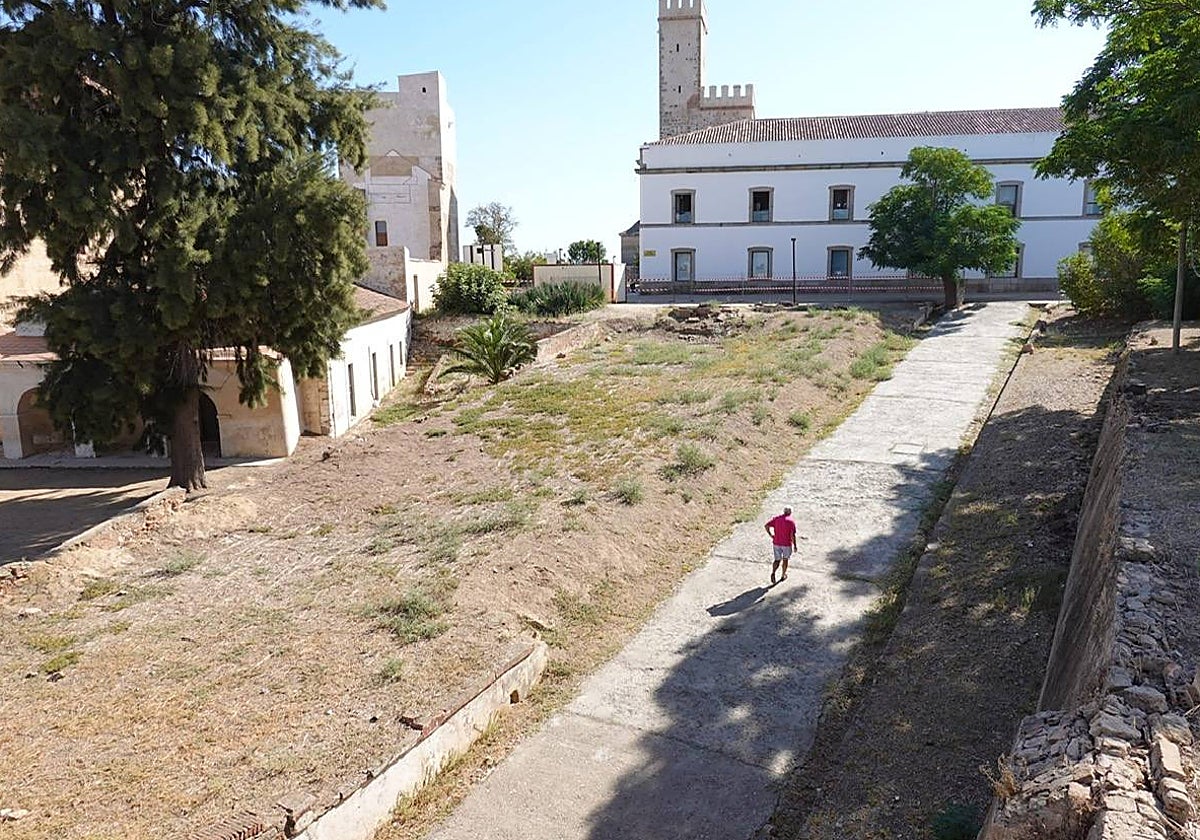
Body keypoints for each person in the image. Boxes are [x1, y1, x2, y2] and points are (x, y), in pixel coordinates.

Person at [765, 506, 797, 585]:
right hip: (786, 544)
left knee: (777, 560)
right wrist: (795, 545)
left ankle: (773, 572)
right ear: (790, 512)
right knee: (785, 560)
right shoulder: (791, 521)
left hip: (776, 543)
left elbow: (766, 526)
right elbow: (792, 535)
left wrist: (771, 535)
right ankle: (783, 575)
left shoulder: (777, 519)